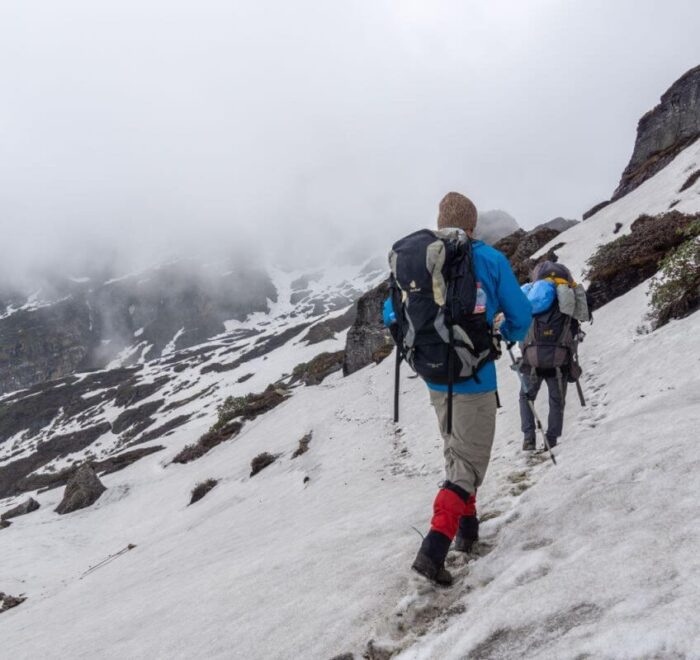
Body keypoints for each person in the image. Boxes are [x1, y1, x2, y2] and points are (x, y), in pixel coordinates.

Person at [384, 192, 532, 586]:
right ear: (473, 225)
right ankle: (433, 550)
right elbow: (521, 315)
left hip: (434, 376)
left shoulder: (422, 259)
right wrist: (503, 333)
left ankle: (468, 531)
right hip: (475, 378)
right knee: (467, 464)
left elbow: (390, 313)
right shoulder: (488, 258)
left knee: (456, 451)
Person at [518, 260, 589, 451]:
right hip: (560, 362)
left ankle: (529, 437)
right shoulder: (569, 303)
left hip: (531, 361)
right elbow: (575, 330)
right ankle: (551, 439)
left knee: (526, 397)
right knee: (557, 400)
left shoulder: (533, 301)